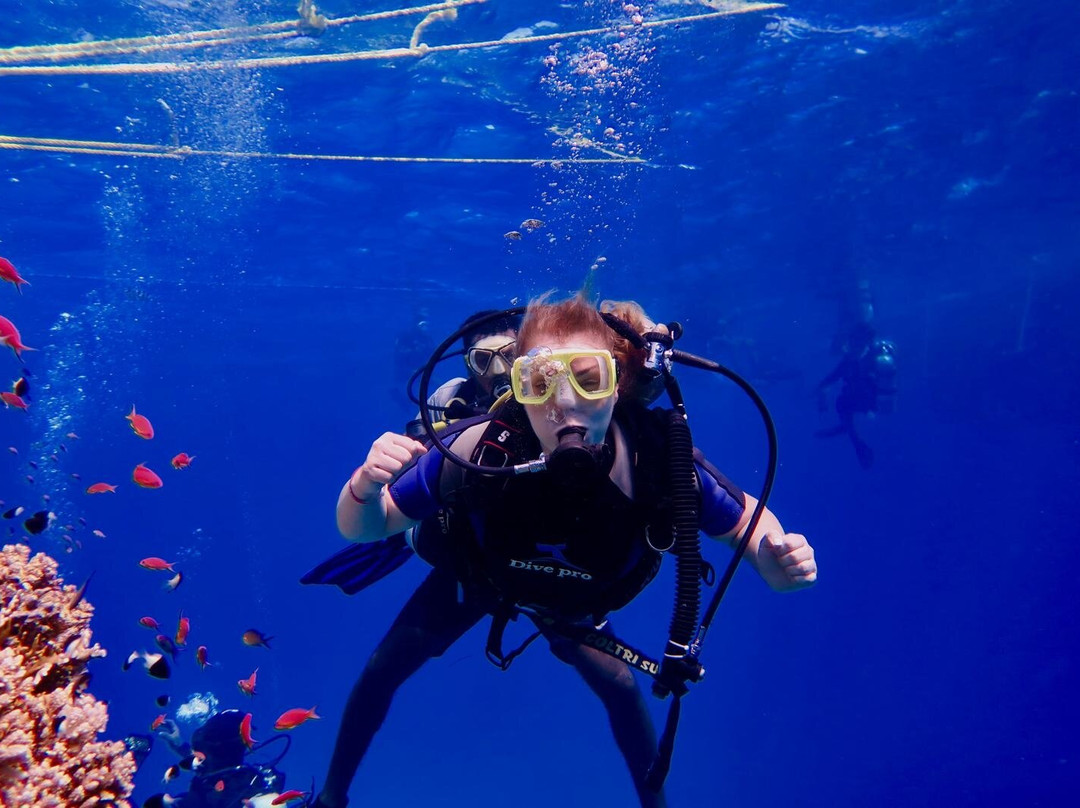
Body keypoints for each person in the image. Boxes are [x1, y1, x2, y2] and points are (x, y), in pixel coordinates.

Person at [314, 295, 817, 808]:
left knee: (622, 693)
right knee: (383, 669)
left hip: (571, 607)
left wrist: (773, 563)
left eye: (589, 379)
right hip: (477, 575)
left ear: (618, 384)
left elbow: (750, 525)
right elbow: (366, 528)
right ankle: (331, 797)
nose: (565, 403)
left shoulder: (656, 458)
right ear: (519, 390)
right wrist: (363, 485)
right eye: (539, 383)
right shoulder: (475, 449)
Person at [143, 710, 293, 807]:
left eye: (199, 758)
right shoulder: (231, 775)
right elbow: (212, 761)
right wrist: (179, 745)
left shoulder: (233, 792)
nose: (195, 763)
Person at [816, 321, 897, 469]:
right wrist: (822, 393)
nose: (853, 345)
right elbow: (832, 377)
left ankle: (853, 437)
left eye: (856, 341)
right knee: (842, 404)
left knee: (842, 404)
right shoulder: (852, 360)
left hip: (867, 402)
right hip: (862, 402)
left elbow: (833, 377)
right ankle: (855, 440)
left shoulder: (869, 361)